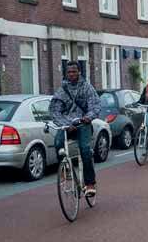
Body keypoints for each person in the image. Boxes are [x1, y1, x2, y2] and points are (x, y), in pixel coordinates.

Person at [50, 61, 101, 197]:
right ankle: (65, 171)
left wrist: (87, 118)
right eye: (69, 72)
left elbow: (95, 106)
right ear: (66, 73)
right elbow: (55, 111)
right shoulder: (61, 90)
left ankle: (90, 183)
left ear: (79, 72)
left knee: (85, 150)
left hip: (83, 124)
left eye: (74, 71)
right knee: (58, 143)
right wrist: (65, 124)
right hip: (67, 126)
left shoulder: (87, 87)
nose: (71, 74)